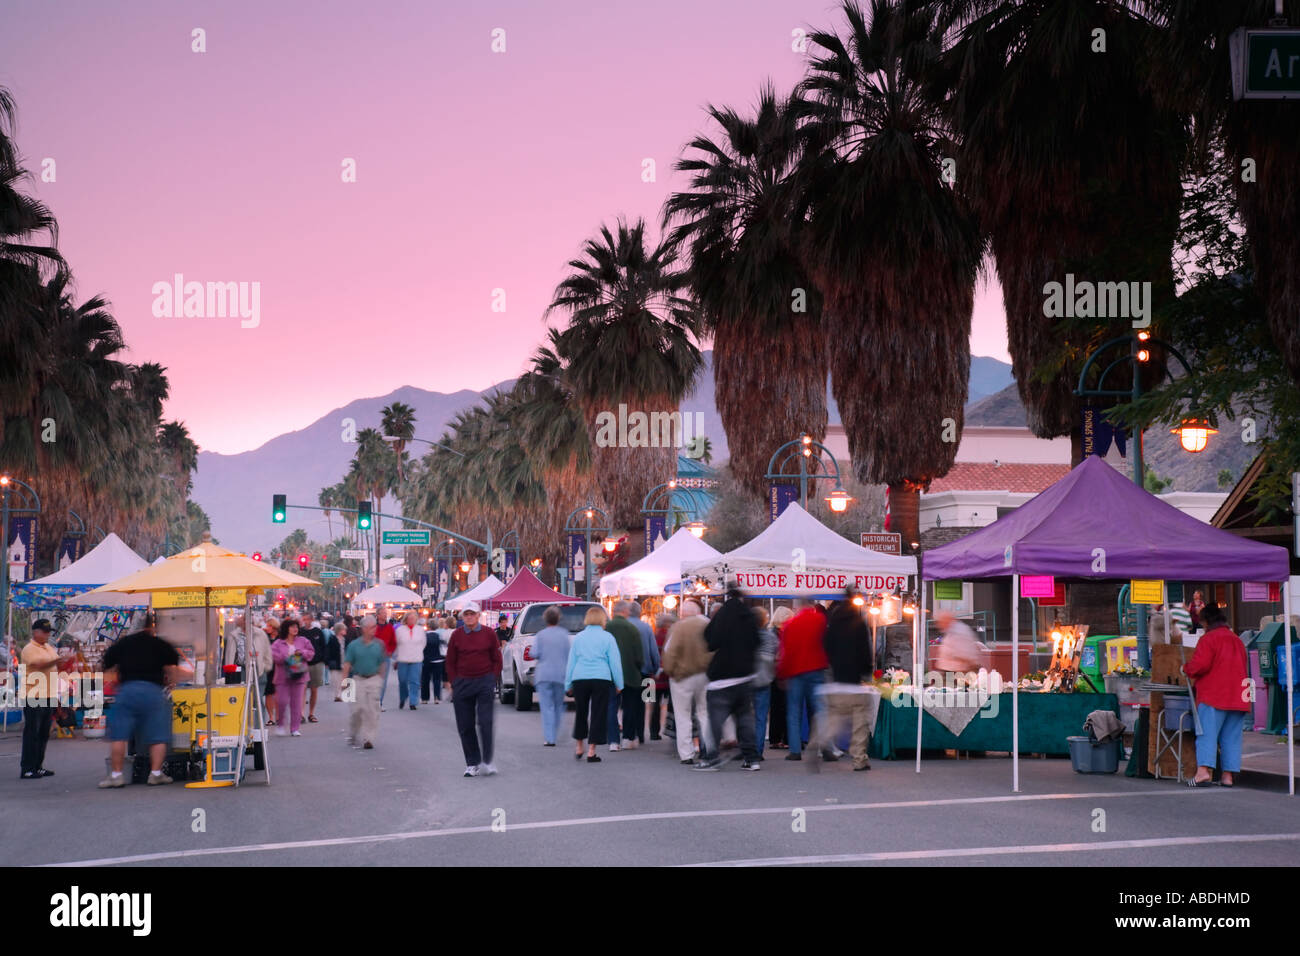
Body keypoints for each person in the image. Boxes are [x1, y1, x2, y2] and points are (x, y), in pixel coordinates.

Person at [98, 619, 193, 788]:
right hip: (152, 691)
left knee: (119, 735)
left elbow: (106, 665)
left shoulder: (125, 643)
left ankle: (116, 775)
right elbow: (172, 669)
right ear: (153, 627)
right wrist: (171, 682)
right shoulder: (161, 644)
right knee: (158, 735)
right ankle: (155, 774)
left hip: (127, 691)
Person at [1183, 603, 1249, 788]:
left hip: (1214, 695)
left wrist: (1185, 668)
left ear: (1206, 622)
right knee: (1231, 737)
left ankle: (1203, 772)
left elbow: (1199, 665)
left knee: (1207, 734)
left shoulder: (1209, 639)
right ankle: (1227, 776)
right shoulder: (1236, 639)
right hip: (1238, 695)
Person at [807, 594, 875, 773]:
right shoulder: (859, 624)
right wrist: (866, 671)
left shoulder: (833, 624)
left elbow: (825, 647)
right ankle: (859, 760)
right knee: (860, 723)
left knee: (833, 719)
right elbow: (865, 651)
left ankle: (817, 743)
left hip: (835, 682)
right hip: (854, 683)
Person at [694, 589, 761, 771]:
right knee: (745, 719)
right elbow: (757, 641)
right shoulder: (749, 616)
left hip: (722, 678)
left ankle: (710, 758)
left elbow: (710, 640)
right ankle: (752, 758)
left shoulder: (723, 614)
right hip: (746, 676)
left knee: (715, 720)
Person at [444, 602, 502, 777]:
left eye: (472, 614)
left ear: (478, 616)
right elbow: (450, 661)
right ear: (462, 617)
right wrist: (454, 682)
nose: (469, 617)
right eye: (466, 614)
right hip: (463, 683)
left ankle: (487, 760)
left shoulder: (489, 634)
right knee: (465, 725)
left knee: (485, 722)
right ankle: (472, 763)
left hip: (484, 681)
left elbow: (497, 658)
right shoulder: (457, 635)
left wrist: (492, 678)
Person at [565, 606, 623, 762]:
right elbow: (615, 663)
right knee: (598, 714)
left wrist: (568, 684)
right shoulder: (608, 637)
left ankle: (579, 746)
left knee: (581, 713)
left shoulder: (579, 637)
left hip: (580, 677)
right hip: (601, 678)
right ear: (602, 619)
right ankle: (592, 750)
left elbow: (572, 661)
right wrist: (619, 683)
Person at [777, 599, 830, 761]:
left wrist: (782, 674)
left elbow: (786, 651)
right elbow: (826, 643)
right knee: (820, 710)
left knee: (794, 712)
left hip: (795, 672)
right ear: (811, 606)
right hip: (816, 669)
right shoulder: (820, 620)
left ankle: (795, 750)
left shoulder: (790, 624)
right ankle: (825, 746)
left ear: (797, 607)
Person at [662, 600, 713, 765]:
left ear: (682, 613)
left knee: (682, 715)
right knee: (704, 713)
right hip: (705, 674)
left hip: (682, 677)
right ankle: (708, 749)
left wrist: (671, 671)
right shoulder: (707, 624)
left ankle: (686, 754)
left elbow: (670, 652)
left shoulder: (678, 627)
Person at [19, 620, 64, 780]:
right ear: (35, 632)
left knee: (44, 733)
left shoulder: (48, 648)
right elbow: (37, 665)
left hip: (48, 694)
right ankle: (27, 768)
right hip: (34, 695)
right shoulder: (29, 649)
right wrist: (57, 661)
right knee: (32, 732)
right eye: (44, 632)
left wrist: (64, 662)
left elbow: (55, 664)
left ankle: (38, 765)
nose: (47, 634)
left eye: (48, 632)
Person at [341, 614, 385, 749]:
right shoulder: (354, 645)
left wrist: (380, 679)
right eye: (371, 627)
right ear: (364, 629)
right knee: (357, 710)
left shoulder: (379, 645)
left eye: (374, 627)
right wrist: (344, 682)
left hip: (373, 679)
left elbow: (382, 663)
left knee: (372, 710)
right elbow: (347, 664)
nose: (374, 630)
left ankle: (368, 738)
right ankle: (354, 732)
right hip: (358, 679)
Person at [606, 602, 646, 750]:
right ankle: (627, 738)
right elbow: (639, 656)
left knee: (611, 707)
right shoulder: (632, 629)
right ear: (625, 611)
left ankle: (613, 741)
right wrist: (638, 668)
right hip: (630, 674)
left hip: (609, 675)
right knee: (629, 706)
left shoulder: (607, 627)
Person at [532, 605, 572, 746]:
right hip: (560, 674)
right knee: (557, 705)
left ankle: (550, 738)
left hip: (544, 674)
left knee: (546, 706)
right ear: (558, 618)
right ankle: (557, 730)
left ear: (545, 619)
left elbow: (534, 653)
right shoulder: (564, 634)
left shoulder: (540, 635)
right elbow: (569, 655)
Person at [271, 619, 315, 736]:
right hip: (282, 677)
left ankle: (294, 728)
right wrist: (286, 657)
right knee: (282, 701)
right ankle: (280, 724)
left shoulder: (303, 641)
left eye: (296, 627)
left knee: (296, 703)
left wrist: (302, 653)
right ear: (286, 629)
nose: (295, 629)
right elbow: (274, 656)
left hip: (299, 676)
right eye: (292, 627)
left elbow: (311, 653)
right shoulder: (278, 643)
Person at [751, 607, 779, 760]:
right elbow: (777, 656)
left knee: (747, 716)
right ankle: (758, 750)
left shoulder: (746, 636)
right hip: (765, 680)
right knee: (761, 718)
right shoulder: (771, 638)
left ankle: (747, 748)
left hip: (748, 680)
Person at [768, 606, 794, 750]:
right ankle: (778, 738)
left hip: (778, 673)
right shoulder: (776, 634)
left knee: (779, 707)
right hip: (778, 673)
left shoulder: (774, 632)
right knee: (780, 706)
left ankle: (777, 738)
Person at [649, 612, 675, 740]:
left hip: (653, 678)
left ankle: (654, 732)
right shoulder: (671, 637)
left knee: (654, 706)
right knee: (671, 705)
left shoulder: (654, 636)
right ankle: (670, 730)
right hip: (668, 676)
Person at [299, 611, 328, 723]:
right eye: (304, 619)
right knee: (303, 689)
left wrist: (324, 660)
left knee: (314, 689)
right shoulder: (300, 632)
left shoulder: (317, 632)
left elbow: (323, 646)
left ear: (311, 620)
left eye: (307, 619)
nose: (305, 621)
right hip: (304, 663)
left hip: (316, 663)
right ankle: (301, 714)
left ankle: (311, 713)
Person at [393, 610, 426, 710]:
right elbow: (396, 644)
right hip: (403, 658)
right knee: (402, 680)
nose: (412, 620)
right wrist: (396, 657)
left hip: (416, 659)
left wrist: (418, 651)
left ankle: (413, 701)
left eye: (414, 618)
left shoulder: (420, 630)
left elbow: (423, 643)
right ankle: (403, 697)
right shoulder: (400, 630)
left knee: (415, 681)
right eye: (410, 618)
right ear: (406, 619)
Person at [375, 608, 397, 711]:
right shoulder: (373, 627)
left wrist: (390, 651)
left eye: (385, 614)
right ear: (378, 615)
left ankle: (379, 702)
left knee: (383, 681)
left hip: (385, 657)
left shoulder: (390, 627)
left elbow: (393, 642)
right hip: (373, 657)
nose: (384, 615)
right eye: (383, 613)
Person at [421, 617, 446, 705]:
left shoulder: (424, 636)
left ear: (428, 626)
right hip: (438, 660)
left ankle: (425, 698)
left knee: (425, 679)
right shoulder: (440, 636)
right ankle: (437, 697)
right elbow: (443, 648)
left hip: (426, 660)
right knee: (437, 680)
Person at [261, 617, 280, 725]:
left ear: (274, 627)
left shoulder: (281, 638)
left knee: (278, 692)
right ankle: (271, 717)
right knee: (269, 693)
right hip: (268, 667)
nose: (266, 628)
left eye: (268, 626)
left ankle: (278, 716)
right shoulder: (264, 637)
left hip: (279, 667)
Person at [222, 613, 248, 684]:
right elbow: (230, 654)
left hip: (252, 668)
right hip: (239, 668)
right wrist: (229, 672)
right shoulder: (234, 635)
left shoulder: (255, 633)